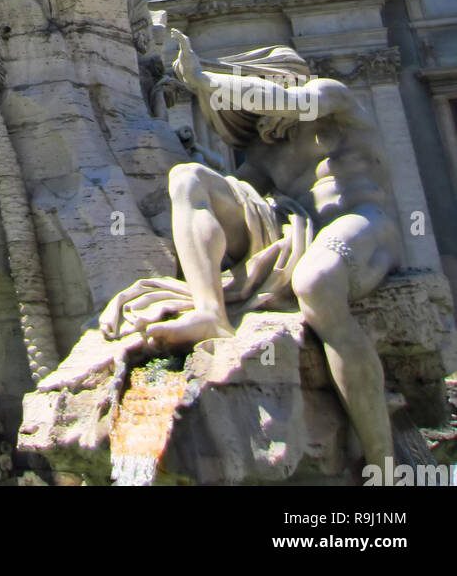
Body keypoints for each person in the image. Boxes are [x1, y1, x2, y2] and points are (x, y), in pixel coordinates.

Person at [100, 28, 402, 467]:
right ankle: (211, 314)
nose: (259, 122)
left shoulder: (328, 98)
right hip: (299, 231)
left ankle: (383, 462)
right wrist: (196, 159)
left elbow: (297, 104)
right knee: (188, 179)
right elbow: (240, 199)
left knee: (315, 283)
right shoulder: (265, 155)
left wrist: (204, 82)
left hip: (363, 226)